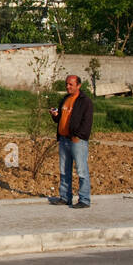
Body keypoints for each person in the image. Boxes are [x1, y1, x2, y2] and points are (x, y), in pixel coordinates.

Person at [49, 74, 93, 208]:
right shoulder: (65, 99)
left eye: (70, 84)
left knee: (81, 171)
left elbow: (87, 122)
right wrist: (55, 116)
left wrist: (78, 136)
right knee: (64, 170)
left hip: (76, 141)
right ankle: (65, 197)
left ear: (78, 85)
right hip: (64, 140)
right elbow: (62, 118)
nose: (67, 87)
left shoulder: (85, 101)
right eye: (67, 84)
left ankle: (84, 200)